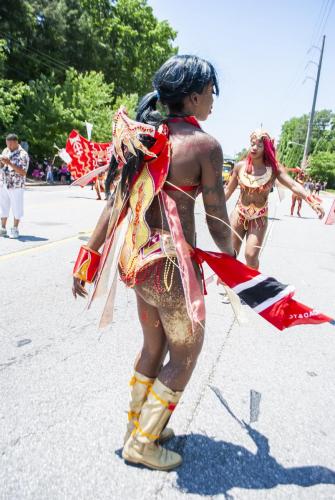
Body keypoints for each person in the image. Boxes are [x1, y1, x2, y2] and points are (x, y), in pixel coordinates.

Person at [72, 55, 234, 470]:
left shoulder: (142, 139)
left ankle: (139, 427)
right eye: (211, 93)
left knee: (154, 345)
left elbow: (113, 205)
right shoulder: (204, 146)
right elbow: (217, 219)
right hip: (172, 270)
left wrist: (86, 262)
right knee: (186, 353)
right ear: (194, 96)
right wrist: (239, 269)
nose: (213, 101)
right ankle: (143, 444)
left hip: (138, 265)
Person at [224, 130, 324, 269]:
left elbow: (294, 185)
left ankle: (252, 284)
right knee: (230, 254)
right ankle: (230, 282)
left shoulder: (274, 169)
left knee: (251, 256)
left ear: (266, 148)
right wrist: (214, 210)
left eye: (259, 145)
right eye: (252, 144)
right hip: (239, 213)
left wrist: (312, 201)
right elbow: (228, 190)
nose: (254, 148)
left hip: (259, 216)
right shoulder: (240, 166)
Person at [0, 133, 29, 238]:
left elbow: (23, 172)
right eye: (7, 144)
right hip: (4, 183)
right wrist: (1, 162)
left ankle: (15, 229)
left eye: (11, 145)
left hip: (16, 185)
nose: (9, 147)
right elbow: (2, 165)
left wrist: (10, 163)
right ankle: (3, 228)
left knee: (17, 208)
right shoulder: (6, 151)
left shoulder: (23, 154)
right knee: (3, 207)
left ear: (16, 142)